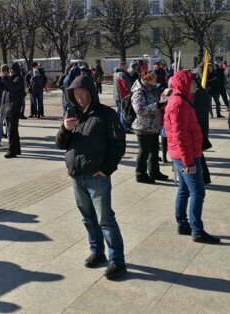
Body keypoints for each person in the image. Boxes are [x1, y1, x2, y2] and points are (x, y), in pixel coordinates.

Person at [55, 75, 127, 280]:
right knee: (88, 218)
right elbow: (60, 144)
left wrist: (106, 169)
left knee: (105, 219)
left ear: (90, 93)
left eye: (82, 94)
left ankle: (117, 261)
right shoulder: (73, 115)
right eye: (75, 95)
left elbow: (118, 144)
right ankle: (97, 251)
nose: (78, 98)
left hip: (97, 177)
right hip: (77, 176)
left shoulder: (106, 114)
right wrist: (65, 129)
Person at [164, 70, 220, 244]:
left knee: (184, 189)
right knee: (198, 191)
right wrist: (188, 161)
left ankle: (182, 223)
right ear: (185, 84)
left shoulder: (180, 100)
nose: (196, 85)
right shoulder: (179, 103)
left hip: (183, 153)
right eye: (193, 82)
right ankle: (197, 230)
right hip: (186, 155)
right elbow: (180, 135)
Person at [131, 72, 169, 184]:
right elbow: (140, 110)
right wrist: (157, 105)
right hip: (143, 127)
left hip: (153, 126)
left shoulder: (151, 89)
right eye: (154, 80)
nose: (156, 82)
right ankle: (140, 174)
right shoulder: (139, 92)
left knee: (154, 151)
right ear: (147, 80)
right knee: (144, 152)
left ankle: (154, 172)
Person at [0, 62, 25, 159]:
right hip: (8, 107)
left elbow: (13, 87)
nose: (10, 71)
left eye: (11, 69)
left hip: (13, 108)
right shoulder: (11, 78)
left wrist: (5, 77)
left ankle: (12, 150)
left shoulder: (19, 78)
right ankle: (16, 149)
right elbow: (3, 87)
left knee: (11, 131)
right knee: (12, 130)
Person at [112, 62, 132, 131]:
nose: (127, 67)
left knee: (119, 111)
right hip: (122, 96)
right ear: (122, 66)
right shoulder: (122, 74)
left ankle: (116, 125)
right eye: (126, 66)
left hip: (116, 95)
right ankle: (123, 127)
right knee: (123, 111)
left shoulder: (115, 74)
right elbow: (126, 86)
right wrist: (131, 91)